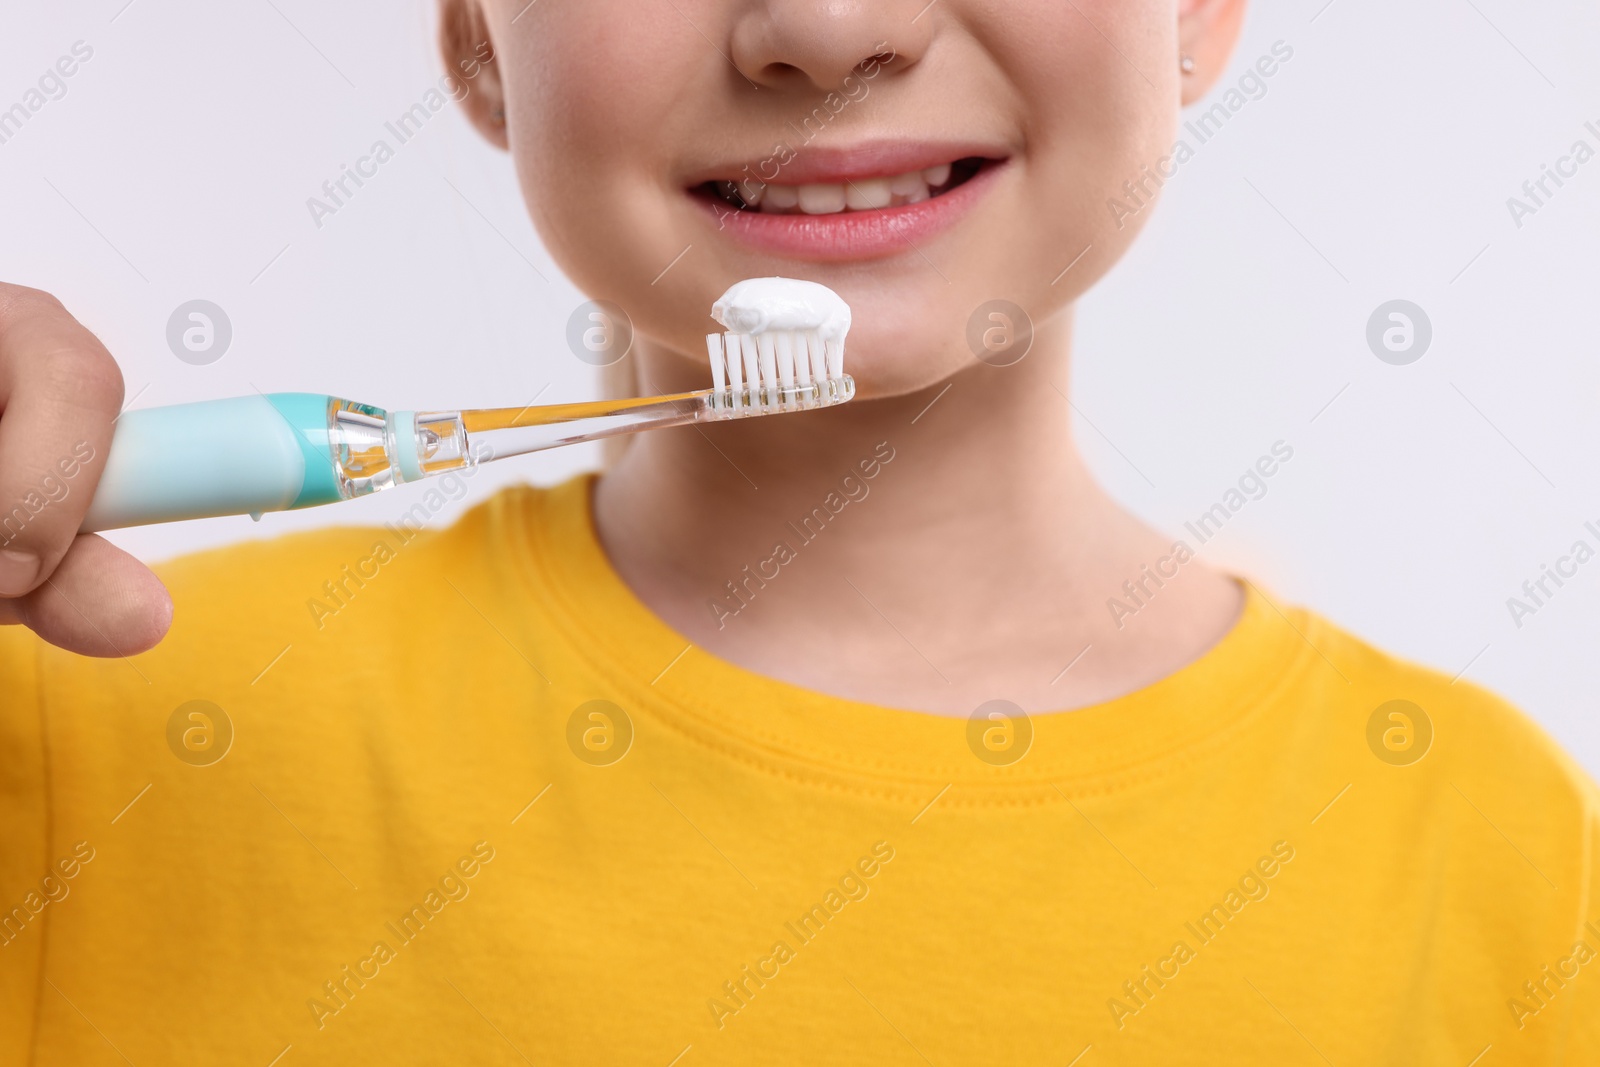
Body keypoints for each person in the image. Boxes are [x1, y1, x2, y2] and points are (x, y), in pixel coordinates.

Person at [2, 0, 1595, 1062]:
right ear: (481, 37)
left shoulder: (1503, 861)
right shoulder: (80, 728)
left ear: (1194, 10)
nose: (832, 23)